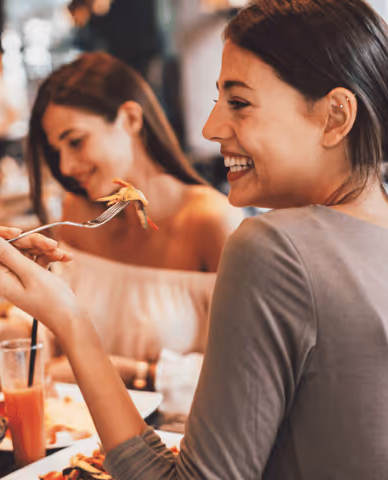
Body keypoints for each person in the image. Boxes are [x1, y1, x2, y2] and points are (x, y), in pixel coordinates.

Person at [0, 0, 388, 478]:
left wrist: (69, 318)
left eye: (239, 102)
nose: (210, 126)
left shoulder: (275, 247)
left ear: (334, 116)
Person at [26, 52, 240, 405]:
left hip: (180, 439)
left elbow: (247, 372)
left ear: (129, 118)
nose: (65, 166)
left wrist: (128, 371)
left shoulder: (209, 222)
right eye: (56, 150)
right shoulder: (77, 215)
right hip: (77, 435)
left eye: (76, 141)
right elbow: (51, 324)